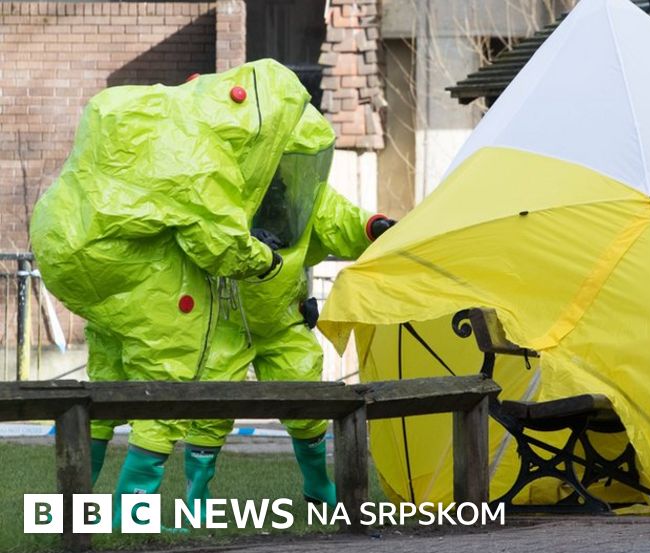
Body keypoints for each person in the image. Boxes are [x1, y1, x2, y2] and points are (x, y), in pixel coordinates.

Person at [30, 59, 314, 525]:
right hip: (122, 258)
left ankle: (69, 510)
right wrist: (267, 262)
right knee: (170, 373)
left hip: (64, 244)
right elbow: (220, 246)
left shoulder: (165, 113)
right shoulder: (204, 151)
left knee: (109, 374)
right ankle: (131, 512)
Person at [181, 103, 395, 513]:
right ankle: (196, 500)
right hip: (224, 319)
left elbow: (338, 217)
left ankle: (317, 487)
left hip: (283, 316)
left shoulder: (301, 193)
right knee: (211, 404)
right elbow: (207, 234)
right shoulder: (224, 187)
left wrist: (374, 227)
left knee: (305, 394)